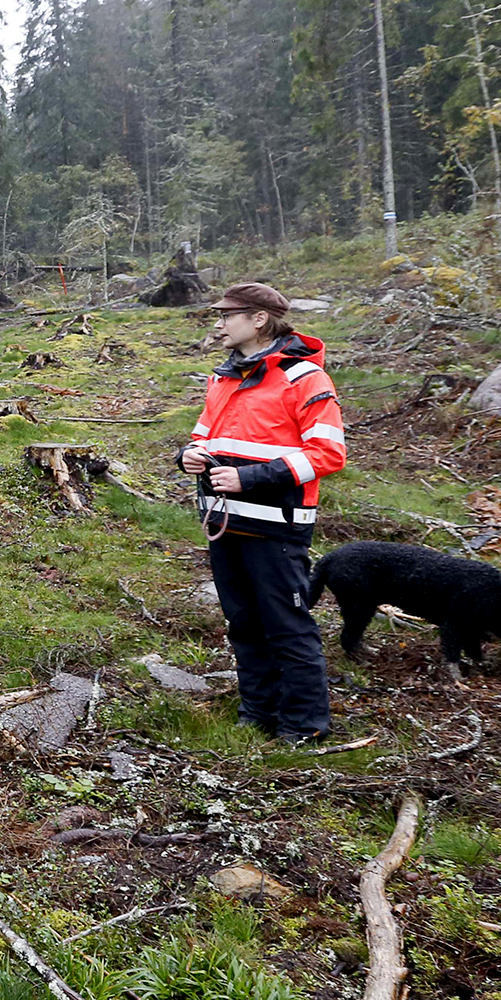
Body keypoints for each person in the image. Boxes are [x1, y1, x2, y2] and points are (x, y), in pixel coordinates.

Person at [178, 282, 347, 741]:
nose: (219, 324)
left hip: (277, 531)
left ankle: (304, 726)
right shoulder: (223, 376)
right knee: (244, 625)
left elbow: (328, 453)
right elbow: (205, 435)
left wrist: (249, 478)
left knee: (288, 628)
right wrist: (189, 455)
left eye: (227, 315)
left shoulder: (305, 379)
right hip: (224, 524)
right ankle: (258, 714)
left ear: (257, 319)